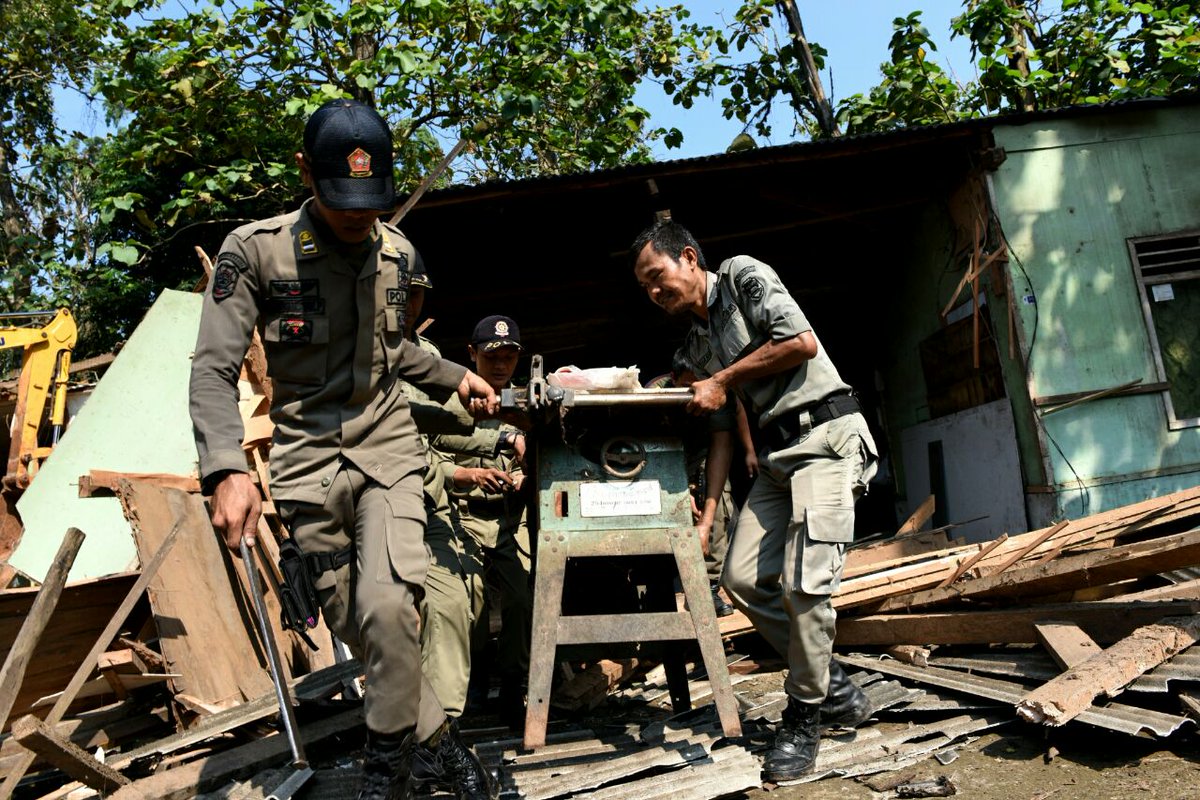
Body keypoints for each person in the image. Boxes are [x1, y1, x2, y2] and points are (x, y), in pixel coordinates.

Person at [190, 98, 497, 800]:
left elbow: (395, 354)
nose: (360, 216)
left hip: (388, 450)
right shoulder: (255, 251)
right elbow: (212, 369)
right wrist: (226, 468)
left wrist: (455, 377)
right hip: (306, 464)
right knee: (363, 629)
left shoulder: (399, 255)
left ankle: (384, 773)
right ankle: (443, 748)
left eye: (372, 201)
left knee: (391, 610)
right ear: (306, 171)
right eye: (343, 200)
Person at [631, 219, 879, 782]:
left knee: (804, 588)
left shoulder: (743, 277)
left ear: (688, 257)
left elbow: (799, 342)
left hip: (826, 438)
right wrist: (605, 384)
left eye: (656, 275)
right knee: (740, 579)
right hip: (778, 456)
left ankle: (805, 716)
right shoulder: (699, 339)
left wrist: (722, 380)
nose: (653, 291)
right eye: (644, 286)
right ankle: (832, 684)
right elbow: (696, 401)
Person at [437, 315, 533, 731]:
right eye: (492, 356)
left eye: (509, 356)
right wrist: (470, 475)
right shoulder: (447, 401)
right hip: (462, 517)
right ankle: (472, 683)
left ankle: (513, 686)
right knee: (469, 601)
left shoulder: (528, 403)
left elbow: (542, 457)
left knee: (522, 599)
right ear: (471, 354)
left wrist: (528, 475)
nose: (500, 365)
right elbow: (430, 460)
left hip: (511, 519)